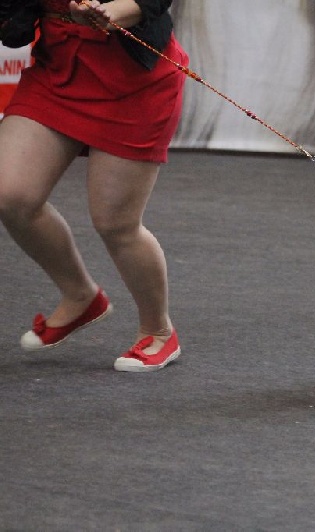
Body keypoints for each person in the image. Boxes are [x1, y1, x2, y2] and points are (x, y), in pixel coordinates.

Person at [0, 0, 188, 371]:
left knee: (116, 223)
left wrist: (117, 11)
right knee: (10, 194)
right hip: (59, 69)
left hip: (135, 83)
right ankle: (80, 296)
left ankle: (158, 330)